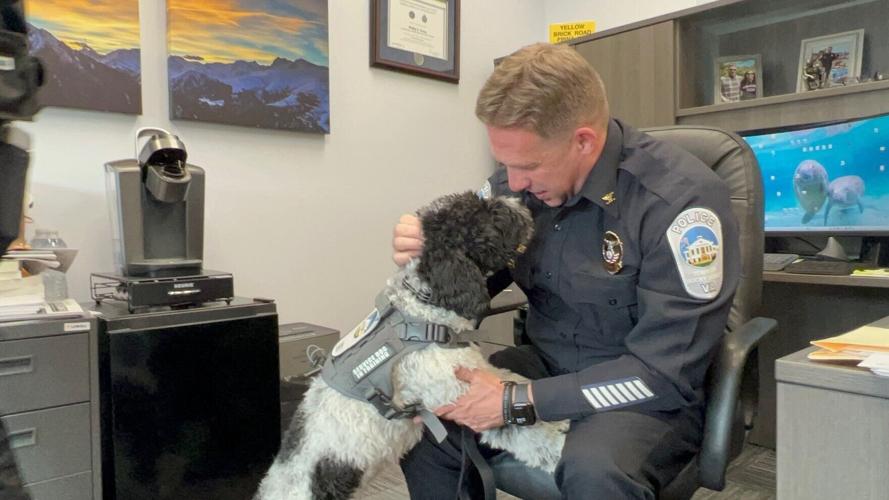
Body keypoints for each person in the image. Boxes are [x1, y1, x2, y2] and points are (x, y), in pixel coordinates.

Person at [393, 42, 740, 499]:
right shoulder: (514, 190)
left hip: (641, 391)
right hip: (546, 363)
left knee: (595, 472)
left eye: (528, 165)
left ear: (583, 141)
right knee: (426, 420)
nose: (513, 182)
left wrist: (516, 401)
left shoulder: (679, 202)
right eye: (504, 164)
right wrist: (431, 255)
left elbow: (662, 374)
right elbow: (467, 285)